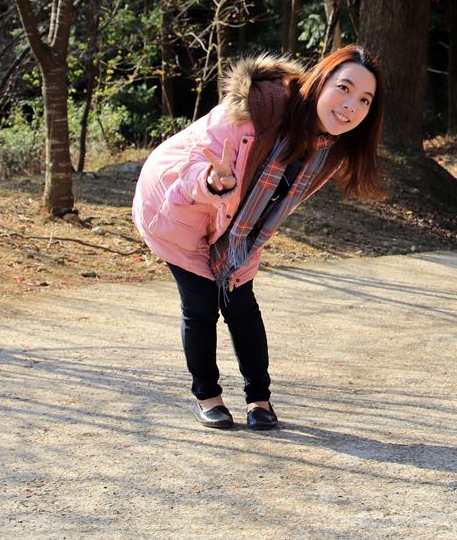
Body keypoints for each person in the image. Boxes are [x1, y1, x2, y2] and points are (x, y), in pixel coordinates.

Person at [132, 45, 383, 430]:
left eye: (364, 100)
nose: (351, 105)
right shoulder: (256, 109)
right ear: (320, 80)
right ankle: (207, 396)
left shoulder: (328, 148)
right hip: (176, 208)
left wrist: (243, 240)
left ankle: (258, 399)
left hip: (236, 227)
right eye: (344, 88)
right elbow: (194, 166)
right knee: (201, 304)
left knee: (241, 306)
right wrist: (212, 182)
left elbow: (272, 201)